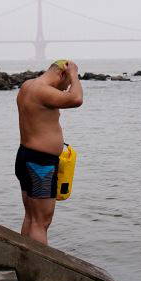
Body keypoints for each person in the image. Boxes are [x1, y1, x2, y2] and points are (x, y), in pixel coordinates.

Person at [15, 59, 83, 244]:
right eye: (66, 82)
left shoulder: (28, 86)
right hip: (40, 164)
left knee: (31, 217)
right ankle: (38, 269)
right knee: (41, 222)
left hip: (26, 156)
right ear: (62, 74)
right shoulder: (42, 90)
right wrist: (74, 75)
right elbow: (76, 99)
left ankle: (24, 260)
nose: (65, 88)